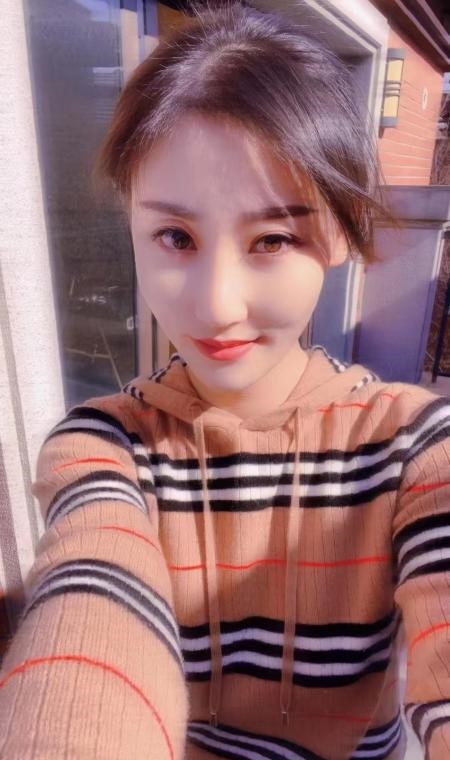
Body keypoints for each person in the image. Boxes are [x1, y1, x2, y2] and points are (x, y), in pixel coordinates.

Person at [0, 2, 449, 758]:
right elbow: (91, 607)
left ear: (341, 232)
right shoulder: (104, 445)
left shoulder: (412, 446)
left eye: (271, 239)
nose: (216, 304)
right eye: (175, 236)